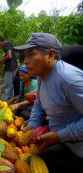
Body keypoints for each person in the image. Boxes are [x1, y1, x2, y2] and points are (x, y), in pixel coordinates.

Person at [14, 33, 83, 172]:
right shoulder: (42, 75)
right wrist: (32, 125)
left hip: (78, 149)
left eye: (31, 55)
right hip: (64, 140)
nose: (25, 62)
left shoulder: (68, 79)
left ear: (51, 55)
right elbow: (39, 102)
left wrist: (59, 136)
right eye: (25, 56)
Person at [0, 36, 18, 101]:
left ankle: (3, 101)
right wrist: (0, 63)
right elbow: (8, 58)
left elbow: (9, 56)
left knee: (7, 85)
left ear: (0, 42)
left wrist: (0, 61)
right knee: (11, 86)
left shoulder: (7, 44)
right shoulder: (9, 45)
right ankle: (12, 100)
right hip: (13, 67)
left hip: (10, 68)